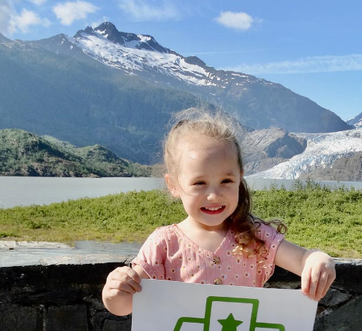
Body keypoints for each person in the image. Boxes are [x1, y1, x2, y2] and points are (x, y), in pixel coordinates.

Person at [102, 110, 336, 316]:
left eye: (226, 180)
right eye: (199, 183)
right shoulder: (164, 243)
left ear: (240, 178)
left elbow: (302, 259)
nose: (214, 195)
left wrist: (318, 260)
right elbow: (126, 305)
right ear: (173, 184)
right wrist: (116, 292)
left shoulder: (255, 236)